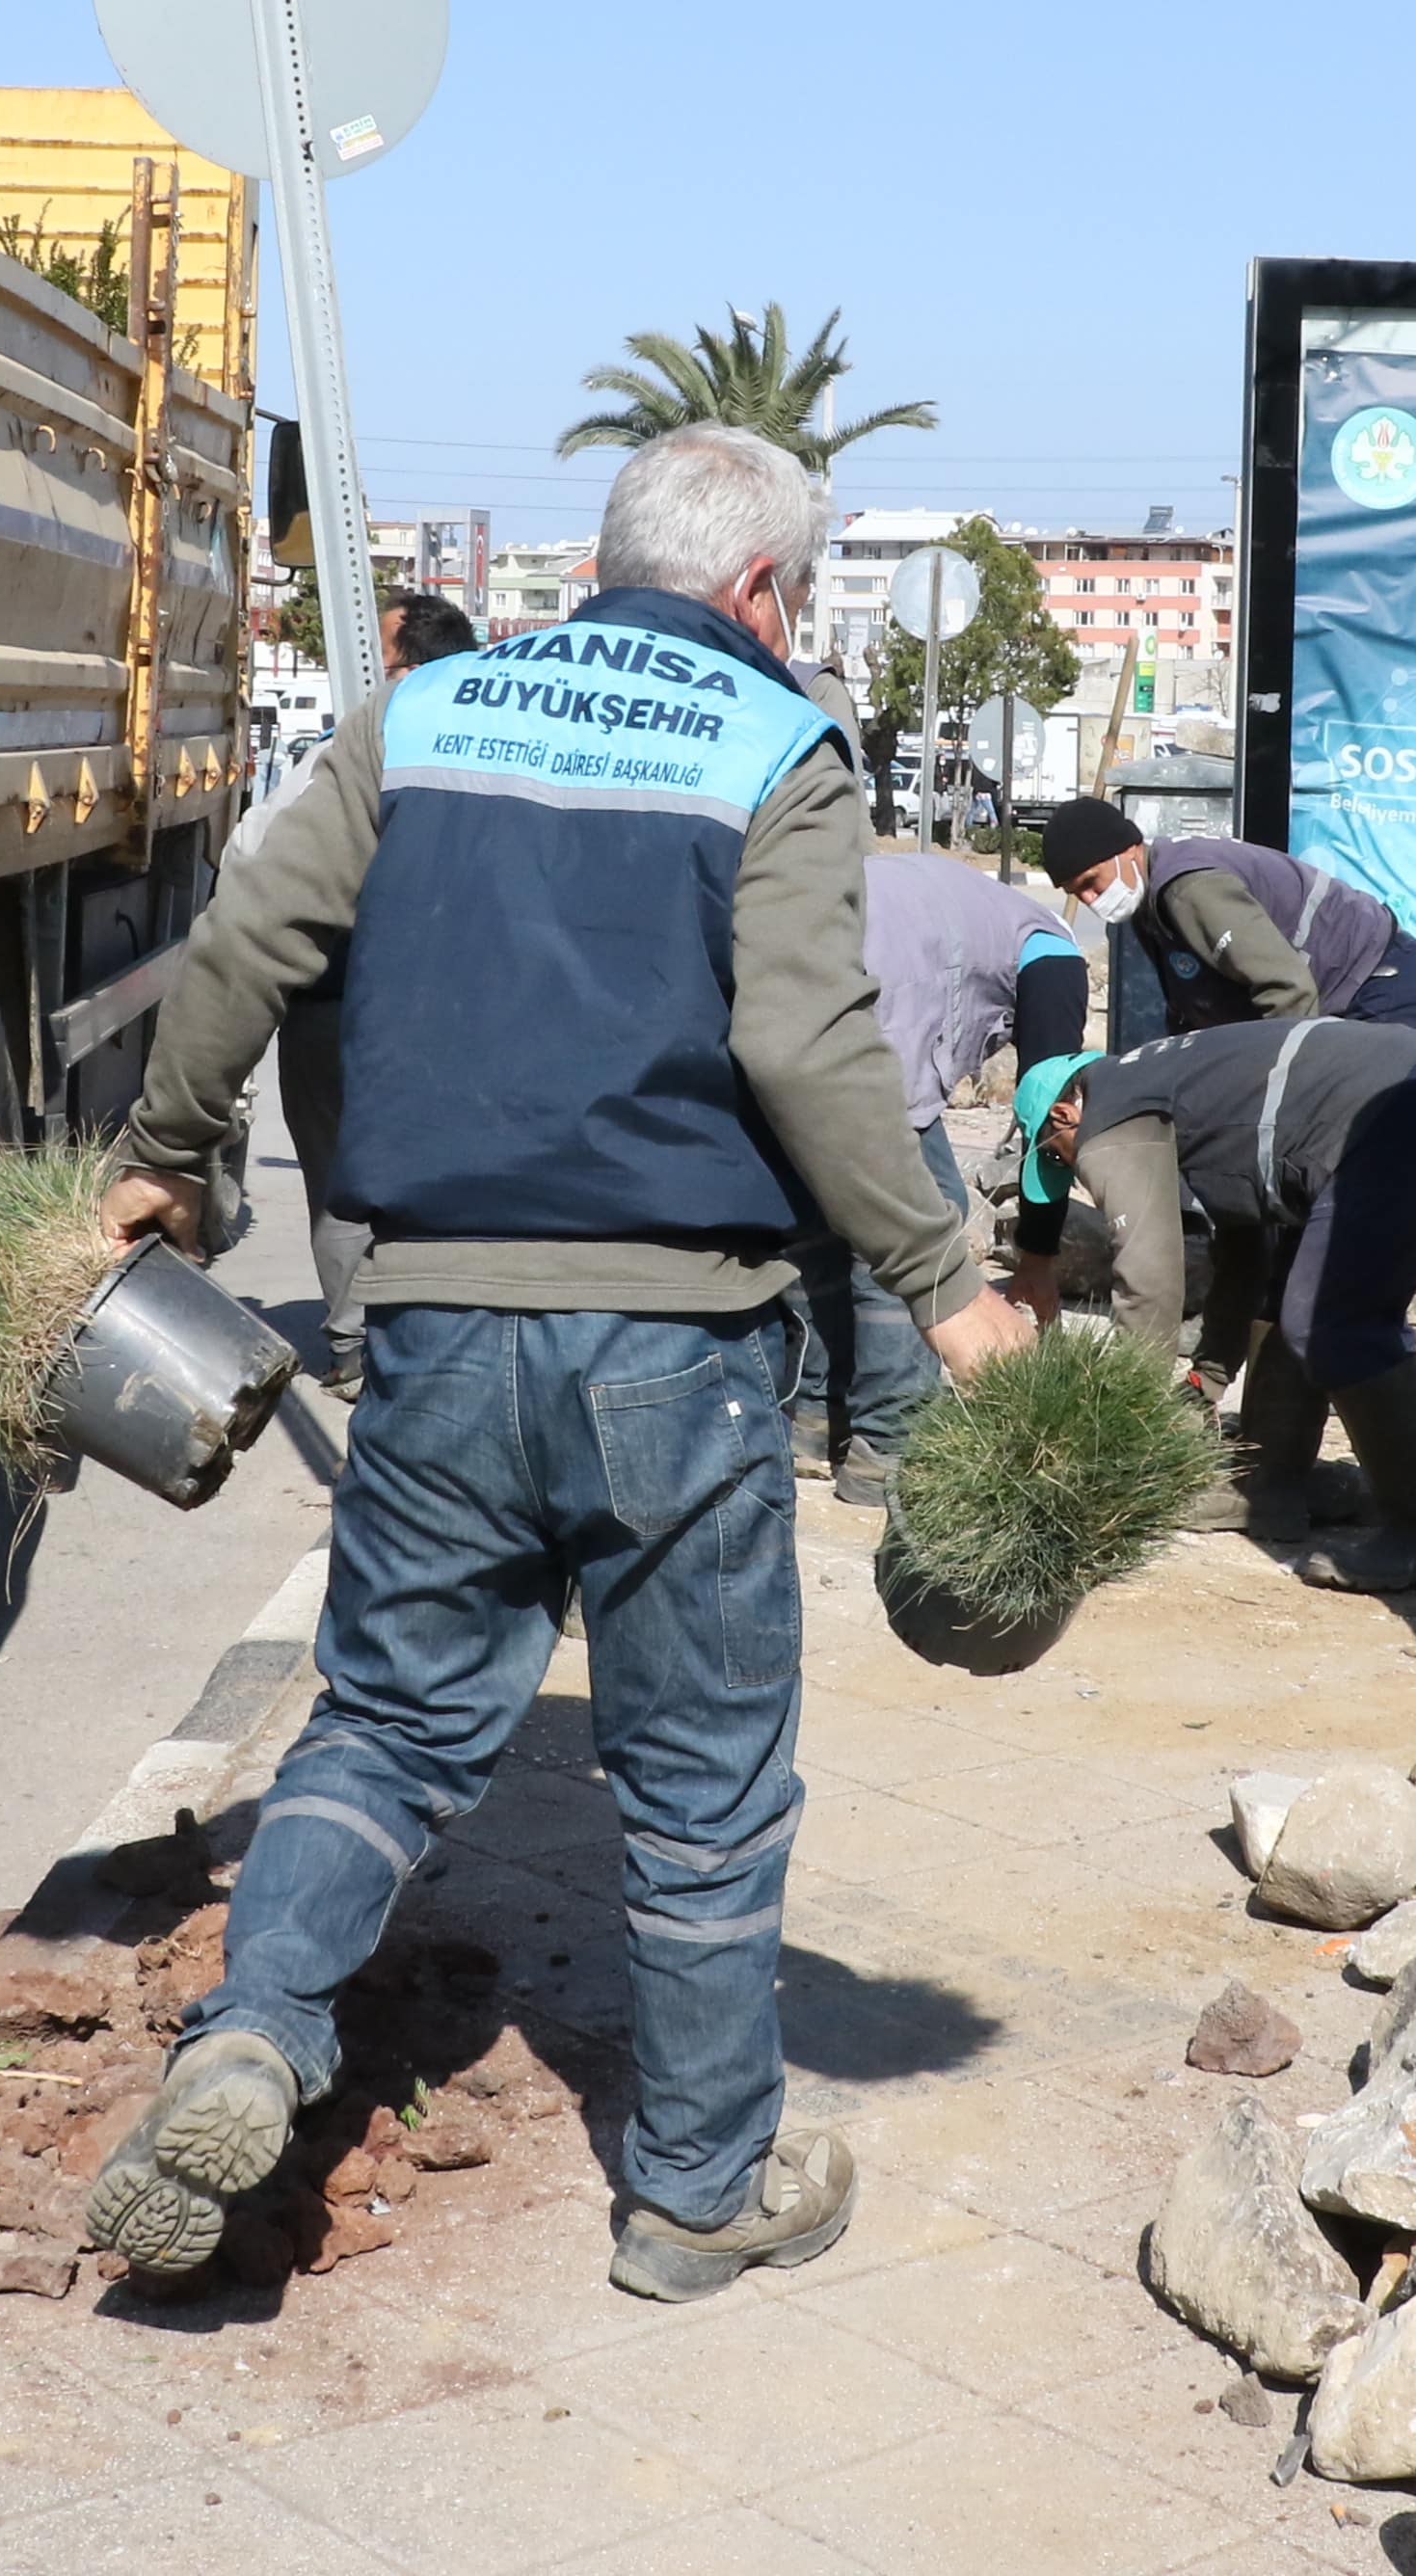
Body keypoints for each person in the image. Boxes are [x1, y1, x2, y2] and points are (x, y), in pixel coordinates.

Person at [79, 425, 1034, 2300]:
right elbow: (808, 1043)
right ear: (764, 589)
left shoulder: (425, 713)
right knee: (701, 1782)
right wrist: (945, 1281)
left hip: (434, 1320)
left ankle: (257, 2030)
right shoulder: (776, 743)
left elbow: (251, 940)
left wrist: (164, 1161)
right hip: (672, 1338)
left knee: (383, 1724)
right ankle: (694, 2191)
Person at [1010, 1019, 1416, 1593]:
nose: (1074, 1174)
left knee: (1337, 1321)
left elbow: (1149, 1282)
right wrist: (1206, 1379)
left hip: (1385, 1109)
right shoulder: (1189, 1096)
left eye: (1058, 1159)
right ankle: (1274, 1489)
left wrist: (1119, 1445)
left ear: (1064, 1116)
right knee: (1296, 1303)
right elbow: (1247, 1261)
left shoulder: (1111, 1109)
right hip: (1402, 1091)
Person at [793, 845, 1088, 1501]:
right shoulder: (1053, 951)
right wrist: (1039, 1256)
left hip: (804, 975)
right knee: (914, 1219)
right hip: (886, 1003)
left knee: (815, 1211)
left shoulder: (967, 902)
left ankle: (814, 1417)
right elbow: (1050, 1108)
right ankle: (890, 1444)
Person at [257, 591, 489, 1394]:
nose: (371, 684)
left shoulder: (342, 759)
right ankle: (424, 1340)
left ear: (413, 673)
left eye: (381, 667)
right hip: (444, 1008)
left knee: (340, 1183)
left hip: (338, 1003)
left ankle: (357, 1345)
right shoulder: (493, 761)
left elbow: (253, 863)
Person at [1032, 799, 1416, 1045]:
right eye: (1076, 893)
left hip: (1380, 985)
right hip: (1340, 996)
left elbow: (1287, 990)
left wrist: (1270, 1086)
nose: (1090, 899)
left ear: (1129, 849)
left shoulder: (1189, 888)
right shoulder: (1149, 902)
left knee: (1353, 1154)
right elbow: (1192, 1012)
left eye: (1091, 882)